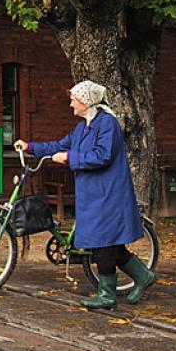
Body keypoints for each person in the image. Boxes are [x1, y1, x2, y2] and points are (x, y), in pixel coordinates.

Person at [13, 80, 156, 310]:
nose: (71, 104)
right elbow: (59, 145)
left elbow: (102, 156)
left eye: (73, 99)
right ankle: (143, 275)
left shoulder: (106, 124)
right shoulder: (84, 127)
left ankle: (107, 294)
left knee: (103, 243)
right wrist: (30, 147)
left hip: (109, 194)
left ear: (86, 101)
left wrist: (69, 158)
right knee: (109, 244)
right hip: (94, 195)